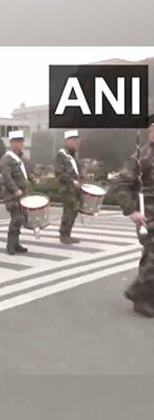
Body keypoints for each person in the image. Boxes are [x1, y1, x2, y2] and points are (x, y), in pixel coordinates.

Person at [116, 114, 154, 317]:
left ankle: (143, 294)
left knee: (149, 256)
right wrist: (131, 210)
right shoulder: (139, 158)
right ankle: (138, 294)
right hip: (147, 217)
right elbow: (122, 186)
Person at [0, 130, 34, 255]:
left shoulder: (22, 158)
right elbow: (6, 177)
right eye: (17, 142)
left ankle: (16, 243)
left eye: (21, 142)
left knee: (20, 220)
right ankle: (10, 245)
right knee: (16, 219)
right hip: (13, 196)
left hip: (23, 195)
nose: (20, 144)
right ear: (11, 143)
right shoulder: (7, 159)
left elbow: (26, 174)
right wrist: (15, 190)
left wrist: (33, 179)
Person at [54, 130, 83, 244]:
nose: (76, 142)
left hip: (74, 188)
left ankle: (66, 233)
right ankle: (64, 234)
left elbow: (78, 171)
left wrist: (82, 178)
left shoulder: (74, 155)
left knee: (73, 211)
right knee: (70, 210)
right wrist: (72, 181)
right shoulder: (61, 155)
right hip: (66, 188)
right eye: (73, 140)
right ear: (66, 141)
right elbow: (59, 173)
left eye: (76, 140)